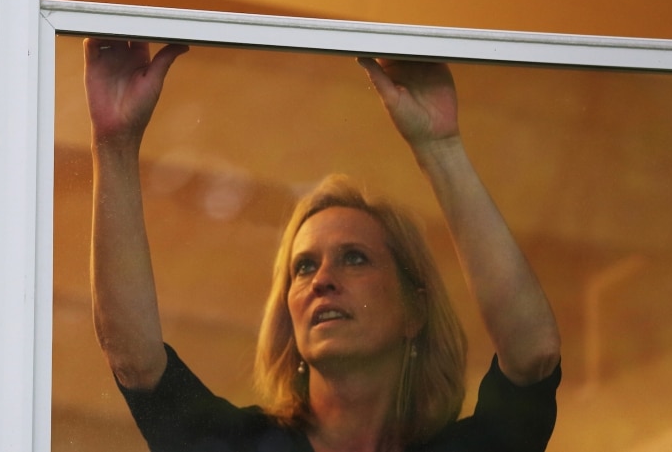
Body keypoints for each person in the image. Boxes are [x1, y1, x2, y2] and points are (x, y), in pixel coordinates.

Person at [84, 38, 562, 452]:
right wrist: (115, 143)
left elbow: (533, 356)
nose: (322, 281)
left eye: (355, 258)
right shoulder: (240, 446)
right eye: (304, 267)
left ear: (416, 310)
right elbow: (136, 361)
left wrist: (441, 148)